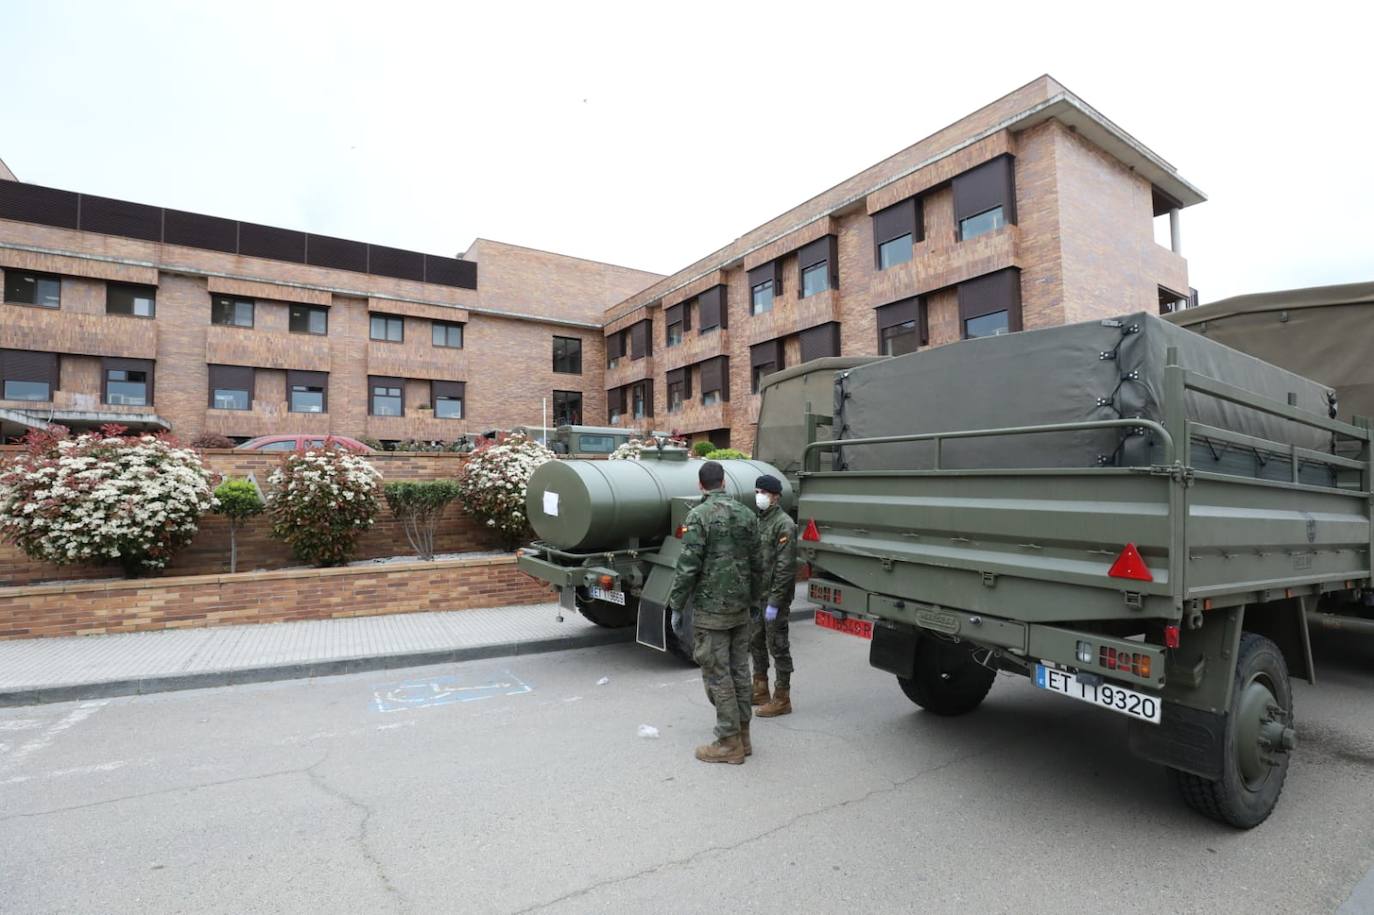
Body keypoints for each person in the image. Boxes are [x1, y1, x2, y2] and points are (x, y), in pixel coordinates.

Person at [667, 460, 762, 764]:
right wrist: (755, 602)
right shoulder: (748, 515)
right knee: (739, 671)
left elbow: (688, 567)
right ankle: (743, 738)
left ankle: (728, 743)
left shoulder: (698, 516)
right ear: (724, 482)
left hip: (711, 611)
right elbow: (759, 564)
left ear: (700, 485)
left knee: (718, 675)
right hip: (740, 608)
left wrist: (676, 603)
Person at [750, 473, 797, 717]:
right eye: (757, 492)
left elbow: (785, 567)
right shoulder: (760, 520)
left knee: (777, 645)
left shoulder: (784, 524)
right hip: (758, 595)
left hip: (774, 598)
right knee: (755, 641)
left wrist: (776, 602)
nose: (759, 496)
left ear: (776, 497)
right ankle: (760, 689)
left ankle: (782, 697)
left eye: (764, 493)